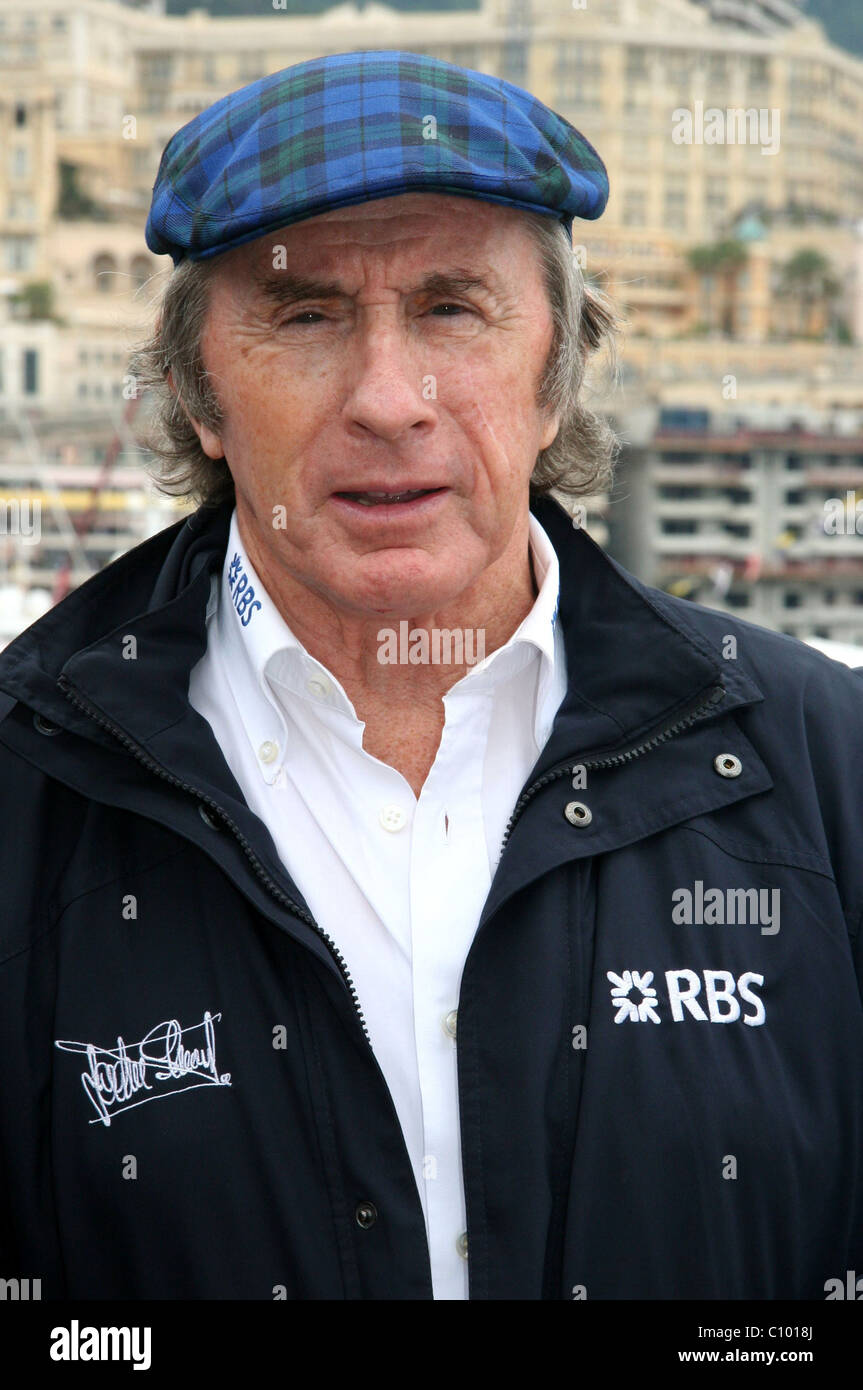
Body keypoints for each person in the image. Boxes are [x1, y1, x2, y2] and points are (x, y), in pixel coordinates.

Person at [0, 48, 861, 1302]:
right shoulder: (28, 788)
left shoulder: (824, 769)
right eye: (305, 315)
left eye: (452, 308)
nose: (387, 401)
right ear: (200, 394)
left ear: (554, 373)